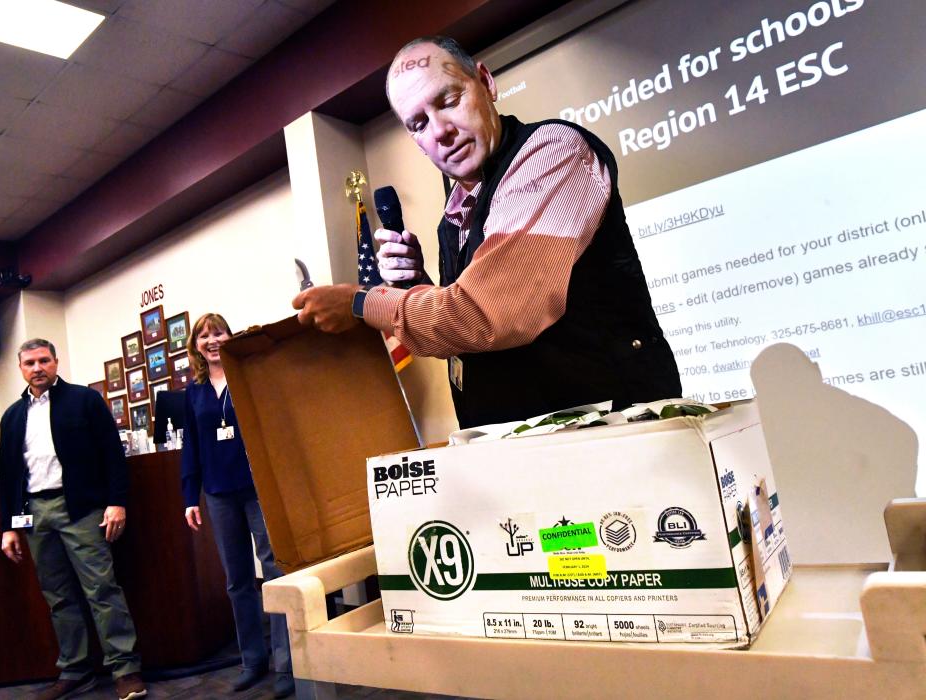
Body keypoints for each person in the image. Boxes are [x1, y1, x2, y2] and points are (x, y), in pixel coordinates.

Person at [292, 36, 682, 428]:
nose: (440, 131)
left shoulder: (553, 152)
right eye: (419, 123)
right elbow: (465, 337)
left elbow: (482, 316)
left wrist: (361, 303)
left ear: (486, 83)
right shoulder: (454, 218)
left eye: (448, 101)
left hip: (613, 439)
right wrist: (417, 284)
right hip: (526, 445)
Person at [0, 339, 146, 700]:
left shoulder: (84, 400)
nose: (37, 368)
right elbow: (10, 474)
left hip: (80, 509)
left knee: (102, 589)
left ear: (56, 362)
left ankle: (125, 669)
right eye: (30, 362)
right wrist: (9, 527)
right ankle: (75, 669)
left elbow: (113, 454)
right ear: (21, 369)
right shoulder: (13, 416)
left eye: (44, 360)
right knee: (58, 597)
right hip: (35, 513)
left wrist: (117, 503)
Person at [180, 313, 293, 697]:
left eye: (219, 333)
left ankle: (287, 665)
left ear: (230, 337)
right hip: (217, 492)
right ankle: (252, 661)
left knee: (275, 572)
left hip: (257, 486)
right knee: (238, 580)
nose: (213, 340)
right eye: (205, 336)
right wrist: (188, 498)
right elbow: (190, 448)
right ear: (195, 345)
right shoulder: (192, 393)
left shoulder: (246, 375)